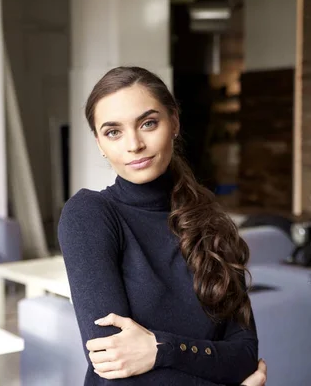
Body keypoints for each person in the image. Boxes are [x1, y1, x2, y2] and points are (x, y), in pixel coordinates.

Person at [58, 67, 266, 386]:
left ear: (175, 123)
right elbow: (115, 365)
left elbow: (244, 356)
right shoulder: (89, 214)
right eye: (114, 132)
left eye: (148, 123)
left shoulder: (211, 222)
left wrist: (160, 350)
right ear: (100, 143)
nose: (134, 144)